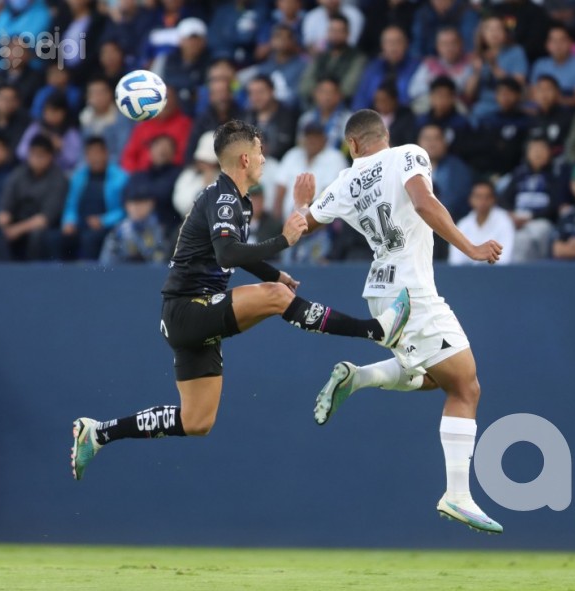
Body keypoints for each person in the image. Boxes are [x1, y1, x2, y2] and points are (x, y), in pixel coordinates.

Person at [71, 120, 411, 481]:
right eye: (260, 152)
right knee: (277, 299)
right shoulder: (224, 198)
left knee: (197, 421)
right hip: (189, 309)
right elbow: (228, 254)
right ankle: (375, 331)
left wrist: (273, 273)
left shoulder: (236, 200)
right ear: (245, 159)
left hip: (187, 317)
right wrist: (283, 241)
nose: (264, 158)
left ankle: (98, 433)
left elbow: (233, 251)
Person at [294, 109, 504, 534]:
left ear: (353, 145)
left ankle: (359, 377)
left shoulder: (345, 181)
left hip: (379, 292)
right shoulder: (408, 154)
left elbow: (300, 227)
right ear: (384, 135)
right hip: (412, 294)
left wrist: (302, 202)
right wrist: (470, 248)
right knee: (465, 386)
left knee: (431, 376)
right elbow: (424, 203)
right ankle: (457, 495)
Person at [0, 134, 68, 260]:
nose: (36, 159)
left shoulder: (58, 179)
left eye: (41, 155)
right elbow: (6, 207)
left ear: (50, 156)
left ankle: (33, 270)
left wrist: (16, 230)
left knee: (37, 235)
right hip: (17, 221)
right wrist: (2, 222)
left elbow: (44, 219)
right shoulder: (18, 173)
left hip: (44, 227)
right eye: (33, 154)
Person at [60, 137, 128, 260]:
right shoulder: (78, 177)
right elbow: (71, 205)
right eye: (90, 154)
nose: (95, 158)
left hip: (108, 226)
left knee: (89, 239)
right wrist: (69, 221)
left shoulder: (121, 178)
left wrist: (103, 221)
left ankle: (89, 272)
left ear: (106, 154)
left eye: (98, 153)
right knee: (60, 238)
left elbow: (124, 210)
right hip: (80, 224)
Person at [500, 135, 564, 261]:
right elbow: (503, 200)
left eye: (541, 149)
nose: (537, 153)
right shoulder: (519, 175)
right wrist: (511, 215)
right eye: (534, 149)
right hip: (517, 220)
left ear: (549, 152)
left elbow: (556, 206)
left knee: (525, 238)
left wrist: (530, 217)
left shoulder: (555, 176)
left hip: (542, 221)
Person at [298, 13, 367, 105]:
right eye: (332, 30)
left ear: (347, 33)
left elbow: (349, 88)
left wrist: (329, 96)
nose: (335, 35)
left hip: (343, 106)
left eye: (339, 31)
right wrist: (320, 95)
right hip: (316, 105)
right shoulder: (321, 56)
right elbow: (306, 83)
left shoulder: (357, 58)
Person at [449, 181, 515, 265]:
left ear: (493, 199)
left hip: (496, 272)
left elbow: (504, 260)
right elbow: (455, 261)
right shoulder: (463, 224)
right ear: (470, 199)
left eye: (487, 197)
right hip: (467, 272)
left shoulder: (504, 221)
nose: (482, 201)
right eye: (478, 197)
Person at [99, 190, 169, 267]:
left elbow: (163, 258)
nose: (137, 208)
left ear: (151, 204)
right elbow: (107, 262)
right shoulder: (118, 231)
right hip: (124, 271)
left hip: (152, 272)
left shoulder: (159, 229)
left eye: (141, 203)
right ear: (126, 206)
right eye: (133, 204)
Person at [529, 25, 575, 108]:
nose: (558, 45)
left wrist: (553, 100)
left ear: (570, 43)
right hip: (540, 109)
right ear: (547, 45)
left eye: (562, 40)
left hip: (568, 109)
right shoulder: (540, 65)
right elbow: (532, 94)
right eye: (553, 41)